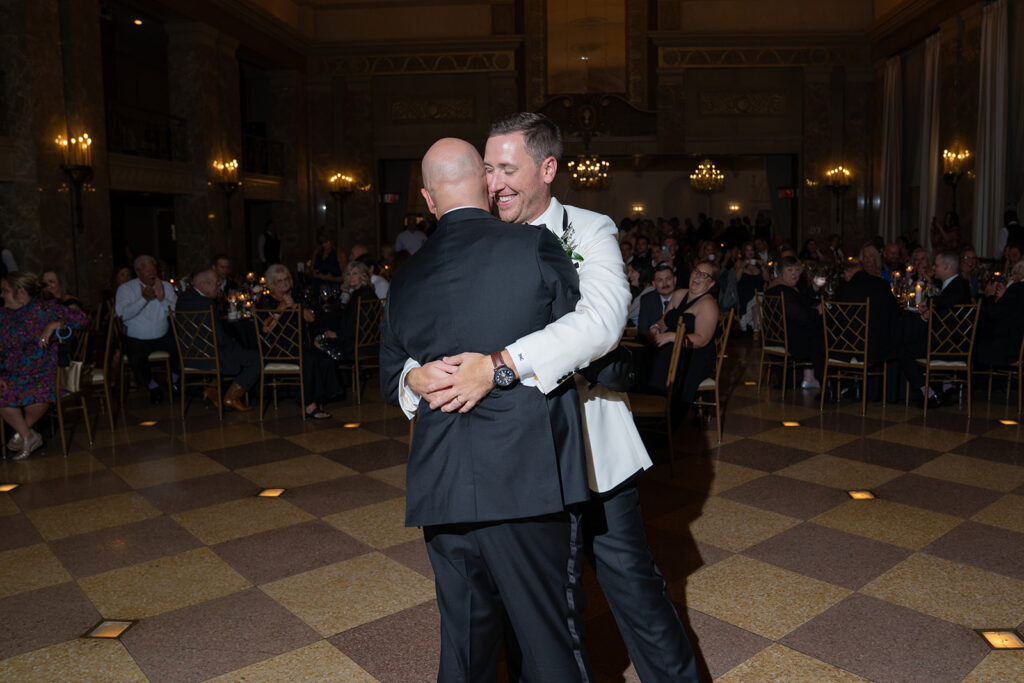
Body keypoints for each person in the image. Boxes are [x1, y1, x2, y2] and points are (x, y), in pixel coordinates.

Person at [401, 114, 698, 682]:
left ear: (548, 168)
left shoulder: (588, 230)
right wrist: (413, 375)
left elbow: (602, 323)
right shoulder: (481, 237)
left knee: (632, 587)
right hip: (517, 463)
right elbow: (439, 320)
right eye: (486, 170)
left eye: (507, 169)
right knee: (531, 609)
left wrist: (501, 365)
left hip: (590, 451)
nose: (494, 184)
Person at [380, 138, 591, 681]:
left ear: (429, 201)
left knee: (466, 653)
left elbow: (390, 374)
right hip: (527, 481)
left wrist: (415, 377)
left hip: (442, 487)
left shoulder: (404, 276)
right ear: (486, 180)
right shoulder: (533, 247)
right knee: (549, 645)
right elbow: (580, 344)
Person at [1, 272, 88, 460]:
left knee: (40, 392)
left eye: (6, 291)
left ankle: (22, 434)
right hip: (12, 373)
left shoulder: (45, 310)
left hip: (43, 372)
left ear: (22, 293)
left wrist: (55, 325)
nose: (1, 295)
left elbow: (82, 319)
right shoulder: (3, 316)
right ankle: (27, 435)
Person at [257, 264, 340, 420]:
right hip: (278, 347)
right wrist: (281, 308)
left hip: (301, 344)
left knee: (324, 357)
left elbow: (311, 318)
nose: (284, 283)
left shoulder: (297, 295)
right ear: (272, 285)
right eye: (279, 281)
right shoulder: (266, 299)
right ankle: (309, 405)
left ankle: (322, 396)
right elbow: (266, 329)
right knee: (308, 360)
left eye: (286, 279)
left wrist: (296, 306)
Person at [893, 250, 972, 407]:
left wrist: (929, 303)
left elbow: (950, 300)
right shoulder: (956, 285)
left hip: (949, 345)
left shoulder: (958, 286)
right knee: (913, 336)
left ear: (947, 267)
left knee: (901, 347)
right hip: (951, 340)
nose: (933, 268)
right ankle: (947, 387)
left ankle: (928, 393)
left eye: (936, 265)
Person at [174, 269, 258, 412]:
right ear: (203, 285)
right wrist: (235, 343)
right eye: (216, 284)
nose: (219, 287)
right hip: (208, 357)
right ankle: (232, 396)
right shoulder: (207, 304)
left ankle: (212, 389)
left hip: (187, 356)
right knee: (257, 358)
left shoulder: (182, 299)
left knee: (237, 352)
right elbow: (218, 338)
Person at [643, 262, 720, 405]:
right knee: (644, 352)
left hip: (695, 354)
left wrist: (673, 337)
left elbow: (702, 339)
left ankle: (665, 409)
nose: (697, 276)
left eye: (704, 275)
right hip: (672, 348)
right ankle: (646, 404)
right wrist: (656, 327)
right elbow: (664, 321)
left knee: (662, 358)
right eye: (696, 271)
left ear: (710, 284)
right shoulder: (678, 294)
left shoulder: (708, 305)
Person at [115, 255, 178, 405]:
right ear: (138, 272)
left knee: (184, 346)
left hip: (162, 335)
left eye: (153, 269)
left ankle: (172, 380)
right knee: (136, 358)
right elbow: (122, 314)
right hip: (138, 338)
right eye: (147, 270)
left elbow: (177, 312)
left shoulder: (165, 286)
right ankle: (153, 387)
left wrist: (162, 298)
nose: (152, 273)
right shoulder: (126, 289)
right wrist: (143, 299)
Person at [765, 256, 824, 388]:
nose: (795, 274)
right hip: (789, 341)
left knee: (821, 332)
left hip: (783, 336)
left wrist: (814, 289)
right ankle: (826, 382)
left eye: (797, 270)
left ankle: (822, 380)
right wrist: (818, 312)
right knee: (823, 337)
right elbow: (802, 316)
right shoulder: (781, 290)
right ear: (781, 272)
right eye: (790, 270)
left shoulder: (786, 287)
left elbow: (804, 301)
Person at [833, 258, 900, 364]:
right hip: (880, 349)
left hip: (850, 349)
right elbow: (896, 312)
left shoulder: (843, 290)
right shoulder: (882, 284)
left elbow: (837, 320)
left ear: (847, 271)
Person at [974, 260, 1024, 367]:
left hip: (1009, 350)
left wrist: (990, 296)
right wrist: (1004, 296)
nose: (1011, 277)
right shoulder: (1016, 290)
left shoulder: (1017, 288)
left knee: (973, 346)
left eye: (1014, 273)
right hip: (1016, 346)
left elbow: (993, 314)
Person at [637, 264, 678, 335]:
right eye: (660, 280)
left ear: (675, 280)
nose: (665, 284)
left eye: (668, 279)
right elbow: (642, 330)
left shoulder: (684, 297)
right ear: (654, 284)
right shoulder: (647, 299)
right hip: (654, 343)